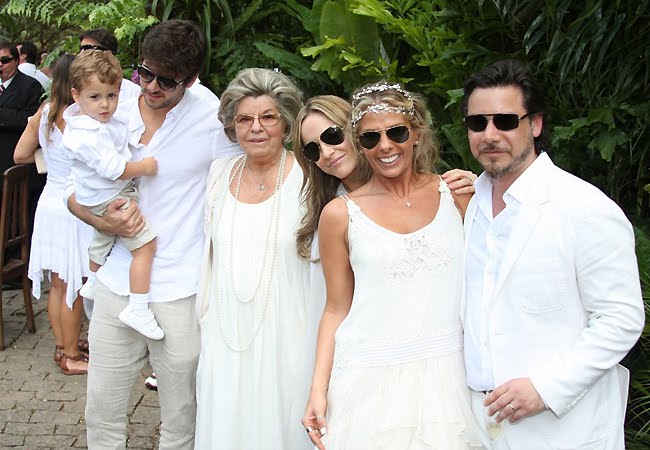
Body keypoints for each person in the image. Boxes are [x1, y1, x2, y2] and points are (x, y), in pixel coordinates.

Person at [67, 19, 239, 449]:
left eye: (166, 80)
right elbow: (72, 190)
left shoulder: (211, 116)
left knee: (182, 415)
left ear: (192, 78)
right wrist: (100, 221)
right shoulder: (112, 100)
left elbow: (255, 172)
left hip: (180, 287)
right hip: (115, 282)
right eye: (145, 72)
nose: (151, 86)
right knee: (101, 412)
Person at [461, 60, 644, 449]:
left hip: (564, 428)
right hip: (480, 425)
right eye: (478, 123)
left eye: (506, 121)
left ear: (536, 125)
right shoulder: (468, 207)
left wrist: (546, 389)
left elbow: (622, 318)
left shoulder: (584, 207)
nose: (490, 135)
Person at [302, 81, 484, 449]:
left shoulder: (458, 195)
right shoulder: (339, 215)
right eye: (370, 139)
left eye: (396, 132)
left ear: (416, 134)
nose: (385, 146)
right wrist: (317, 391)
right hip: (370, 381)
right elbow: (336, 308)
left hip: (449, 376)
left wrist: (486, 194)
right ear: (360, 145)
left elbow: (490, 282)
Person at [293, 95, 478, 366]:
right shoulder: (334, 218)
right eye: (313, 150)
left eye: (332, 136)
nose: (327, 153)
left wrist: (480, 190)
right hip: (370, 361)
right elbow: (334, 310)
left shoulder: (441, 193)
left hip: (444, 354)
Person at [195, 67, 311, 449]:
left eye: (268, 117)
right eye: (244, 119)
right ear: (232, 127)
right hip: (225, 332)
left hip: (289, 335)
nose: (256, 128)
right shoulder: (218, 172)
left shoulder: (312, 178)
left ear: (287, 122)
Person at [63, 49, 162, 340]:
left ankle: (92, 279)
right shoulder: (89, 134)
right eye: (95, 97)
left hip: (96, 196)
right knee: (145, 247)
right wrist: (144, 166)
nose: (105, 105)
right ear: (76, 95)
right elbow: (114, 168)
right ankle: (139, 307)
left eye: (112, 96)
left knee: (102, 238)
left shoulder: (95, 123)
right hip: (109, 194)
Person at [14, 53, 93, 375]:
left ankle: (63, 347)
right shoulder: (80, 117)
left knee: (59, 285)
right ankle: (72, 354)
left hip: (49, 201)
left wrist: (50, 160)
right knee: (73, 283)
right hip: (73, 206)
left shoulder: (44, 113)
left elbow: (20, 154)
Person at [0, 40, 44, 237]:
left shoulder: (30, 86)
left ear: (17, 61)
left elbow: (31, 120)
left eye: (4, 60)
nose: (0, 65)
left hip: (14, 162)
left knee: (14, 218)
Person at [79, 28, 141, 99]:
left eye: (87, 48)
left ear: (109, 53)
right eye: (81, 49)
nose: (81, 54)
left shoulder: (133, 94)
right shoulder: (77, 88)